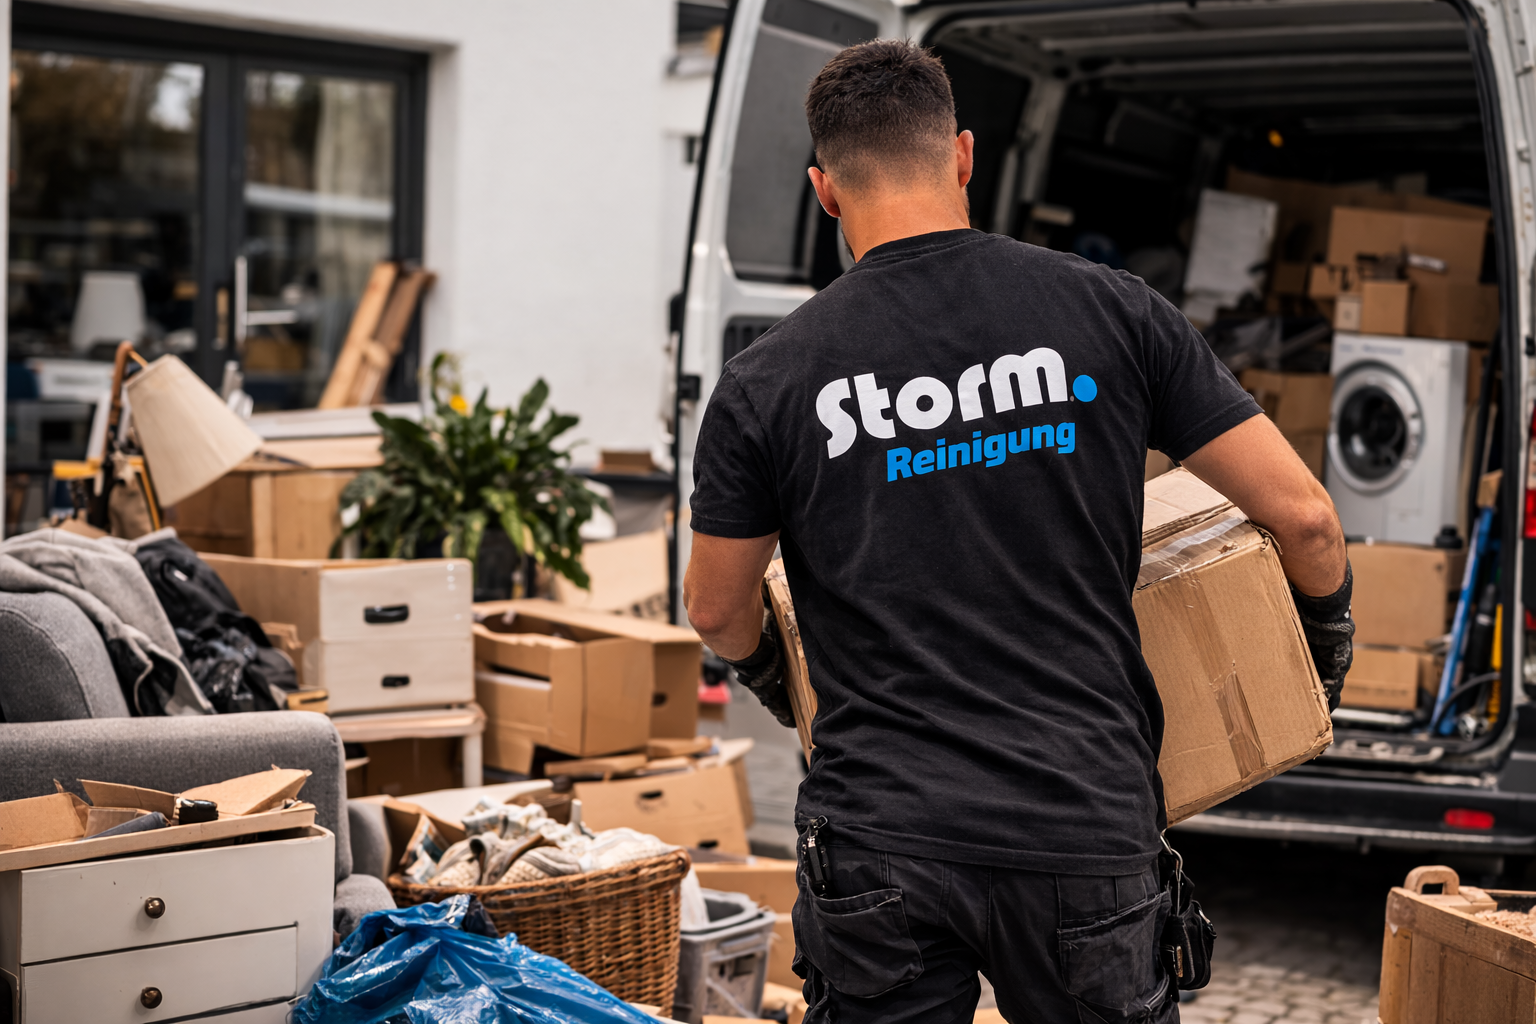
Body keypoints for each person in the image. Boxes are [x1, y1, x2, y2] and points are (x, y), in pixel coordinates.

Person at [682, 40, 1351, 1024]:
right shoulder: (1112, 311)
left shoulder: (768, 380)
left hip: (881, 837)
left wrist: (780, 679)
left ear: (824, 191)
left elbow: (715, 608)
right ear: (963, 155)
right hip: (1081, 824)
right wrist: (1318, 652)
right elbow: (1309, 521)